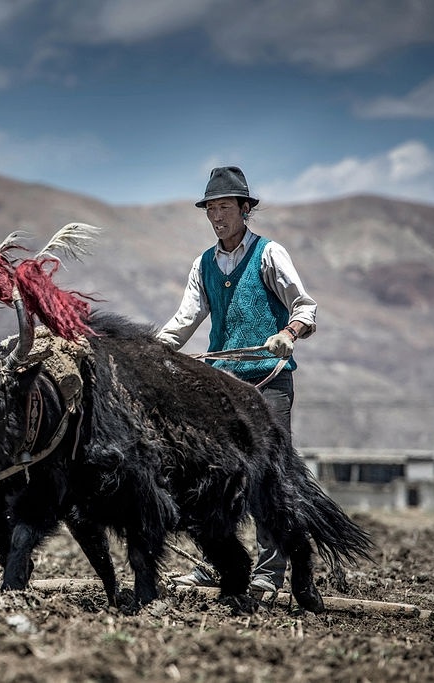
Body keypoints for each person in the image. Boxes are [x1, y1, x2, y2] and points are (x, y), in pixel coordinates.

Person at [156, 165, 317, 595]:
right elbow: (184, 320)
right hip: (222, 390)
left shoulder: (269, 254)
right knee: (216, 478)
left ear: (245, 209)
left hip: (268, 383)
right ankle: (221, 562)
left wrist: (287, 334)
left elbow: (305, 308)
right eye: (211, 208)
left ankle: (268, 573)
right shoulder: (204, 264)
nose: (217, 216)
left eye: (225, 206)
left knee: (269, 478)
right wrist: (152, 350)